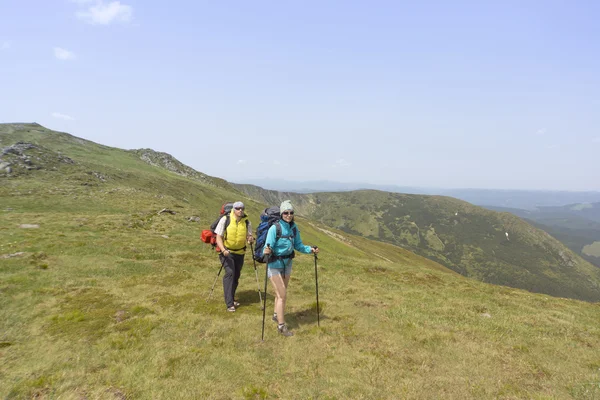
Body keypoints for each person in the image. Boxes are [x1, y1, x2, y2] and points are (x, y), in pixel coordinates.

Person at [262, 200, 319, 336]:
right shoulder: (274, 228)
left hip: (287, 264)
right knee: (282, 295)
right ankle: (281, 326)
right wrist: (266, 251)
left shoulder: (293, 228)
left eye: (291, 213)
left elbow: (298, 245)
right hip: (274, 265)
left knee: (280, 294)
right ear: (281, 214)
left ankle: (276, 315)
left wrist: (310, 249)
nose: (288, 215)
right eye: (286, 213)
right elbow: (266, 246)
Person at [214, 201, 254, 312]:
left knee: (236, 276)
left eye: (242, 208)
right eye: (237, 208)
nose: (240, 210)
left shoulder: (247, 222)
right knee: (230, 273)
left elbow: (249, 237)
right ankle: (229, 303)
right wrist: (223, 249)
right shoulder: (225, 220)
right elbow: (218, 237)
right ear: (233, 209)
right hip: (226, 252)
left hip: (240, 253)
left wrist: (250, 240)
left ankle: (231, 297)